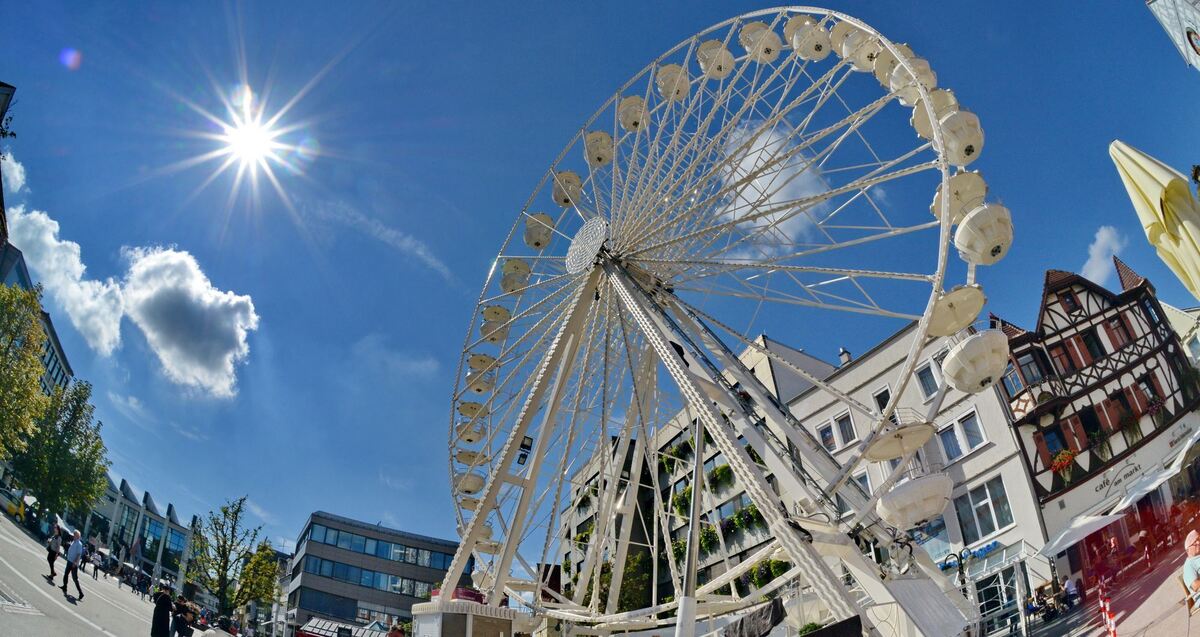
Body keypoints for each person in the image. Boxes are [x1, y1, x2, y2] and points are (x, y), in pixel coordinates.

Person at [60, 529, 84, 599]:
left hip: (73, 563)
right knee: (66, 574)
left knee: (75, 579)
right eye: (74, 534)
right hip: (69, 561)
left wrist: (75, 562)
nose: (73, 535)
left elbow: (79, 554)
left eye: (74, 534)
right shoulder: (74, 541)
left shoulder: (79, 544)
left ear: (77, 536)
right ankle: (65, 586)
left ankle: (81, 593)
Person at [1182, 529, 1200, 605]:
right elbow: (1195, 585)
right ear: (1188, 548)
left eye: (1199, 539)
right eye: (1195, 542)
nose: (1198, 542)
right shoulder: (1189, 565)